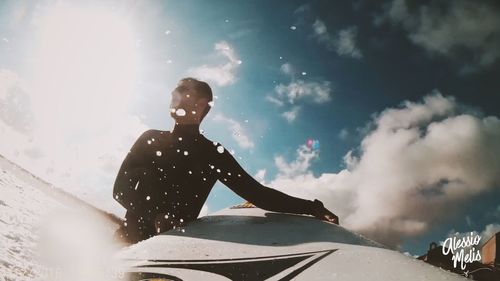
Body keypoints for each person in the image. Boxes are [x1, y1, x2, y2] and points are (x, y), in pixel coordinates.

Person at [113, 78, 339, 244]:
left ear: (201, 104)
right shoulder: (150, 138)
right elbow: (120, 189)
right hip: (125, 243)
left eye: (183, 90)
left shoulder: (212, 154)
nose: (174, 92)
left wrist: (312, 207)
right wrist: (155, 216)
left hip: (172, 250)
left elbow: (258, 194)